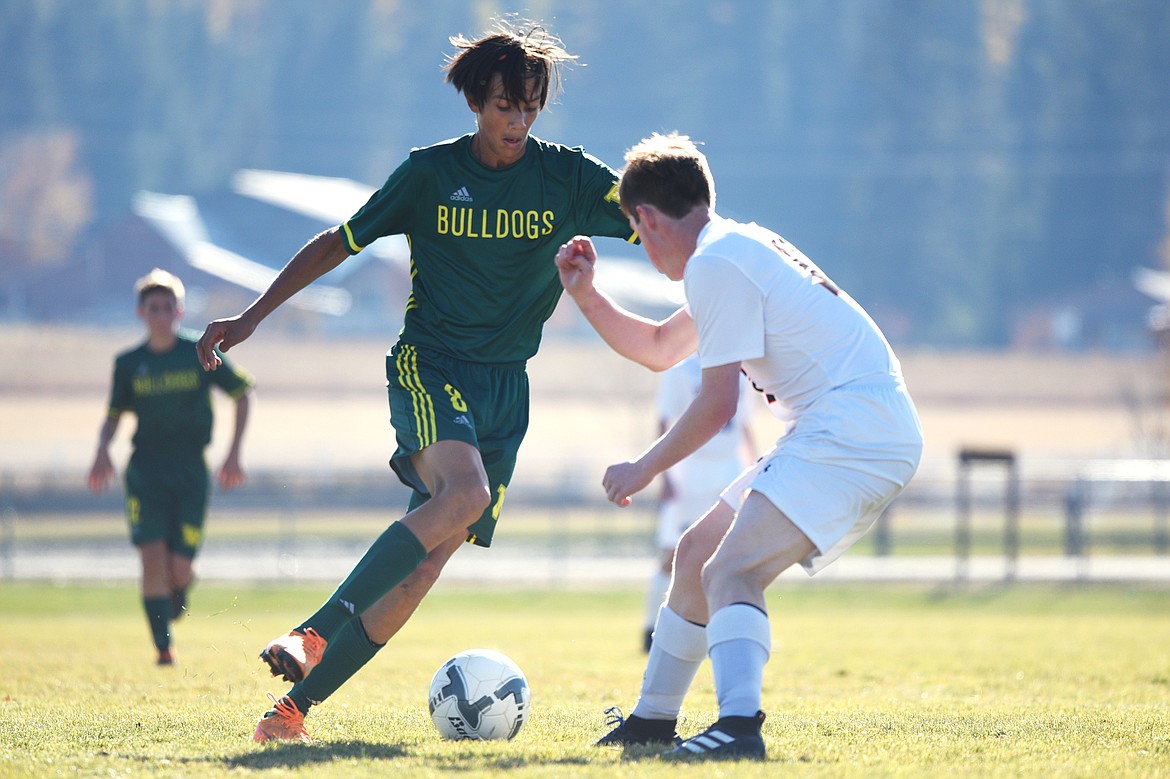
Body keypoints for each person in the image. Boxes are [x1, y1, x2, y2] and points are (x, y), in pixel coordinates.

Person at [195, 18, 637, 744]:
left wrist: (733, 277)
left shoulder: (569, 177)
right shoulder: (429, 173)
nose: (519, 119)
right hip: (428, 365)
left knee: (423, 571)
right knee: (465, 494)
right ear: (475, 103)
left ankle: (291, 712)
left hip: (505, 389)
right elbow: (338, 242)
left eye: (530, 104)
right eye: (504, 105)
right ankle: (314, 629)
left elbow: (658, 224)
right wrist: (250, 317)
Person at [555, 132, 923, 760]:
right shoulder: (730, 250)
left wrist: (643, 468)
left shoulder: (715, 264)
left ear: (645, 217)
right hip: (849, 425)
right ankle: (651, 721)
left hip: (854, 429)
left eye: (637, 238)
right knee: (696, 552)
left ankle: (739, 729)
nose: (643, 251)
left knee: (731, 571)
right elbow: (660, 349)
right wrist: (586, 295)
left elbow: (718, 403)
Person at [87, 267, 254, 666]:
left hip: (190, 473)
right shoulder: (129, 363)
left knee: (177, 570)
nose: (160, 314)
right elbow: (113, 414)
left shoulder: (197, 352)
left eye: (168, 307)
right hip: (146, 471)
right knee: (150, 558)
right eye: (153, 307)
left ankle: (177, 588)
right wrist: (101, 448)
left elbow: (243, 393)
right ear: (141, 312)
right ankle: (164, 650)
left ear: (179, 312)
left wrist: (233, 454)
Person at [642, 354, 755, 653]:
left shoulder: (740, 367)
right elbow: (665, 421)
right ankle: (651, 629)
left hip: (729, 469)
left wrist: (754, 466)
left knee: (731, 552)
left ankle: (724, 628)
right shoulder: (681, 370)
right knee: (673, 553)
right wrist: (662, 473)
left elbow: (743, 423)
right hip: (690, 469)